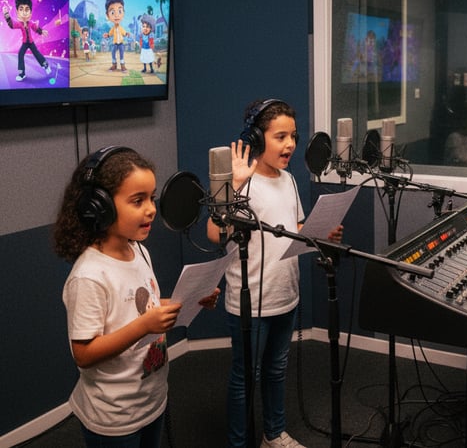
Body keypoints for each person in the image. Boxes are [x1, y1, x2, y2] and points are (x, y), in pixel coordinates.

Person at [53, 146, 220, 447]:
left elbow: (141, 309)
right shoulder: (89, 275)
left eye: (152, 197)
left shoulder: (139, 251)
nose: (151, 209)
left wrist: (189, 300)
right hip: (115, 417)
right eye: (137, 200)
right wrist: (145, 326)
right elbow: (84, 353)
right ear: (99, 207)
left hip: (150, 399)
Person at [206, 99, 343, 448]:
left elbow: (295, 227)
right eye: (280, 136)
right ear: (256, 137)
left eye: (293, 136)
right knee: (245, 377)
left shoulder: (289, 181)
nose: (290, 145)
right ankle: (240, 443)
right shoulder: (244, 185)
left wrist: (320, 233)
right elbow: (214, 233)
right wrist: (232, 189)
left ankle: (273, 433)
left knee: (276, 369)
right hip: (250, 302)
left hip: (286, 294)